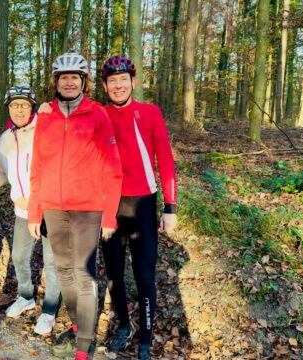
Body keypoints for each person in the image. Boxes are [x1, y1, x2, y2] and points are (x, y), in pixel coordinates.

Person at [28, 53, 123, 360]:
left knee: (82, 275)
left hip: (87, 209)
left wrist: (109, 216)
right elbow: (38, 166)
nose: (69, 82)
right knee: (65, 272)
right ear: (56, 82)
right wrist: (34, 210)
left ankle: (84, 344)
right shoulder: (45, 116)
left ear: (83, 81)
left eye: (75, 77)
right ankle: (79, 325)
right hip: (54, 208)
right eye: (64, 77)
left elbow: (113, 168)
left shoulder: (97, 113)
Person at [99, 55, 177, 360]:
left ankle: (145, 338)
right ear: (104, 86)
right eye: (112, 81)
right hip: (110, 206)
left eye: (123, 80)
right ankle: (123, 326)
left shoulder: (150, 113)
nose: (118, 86)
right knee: (114, 274)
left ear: (134, 82)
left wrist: (170, 207)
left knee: (144, 275)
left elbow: (166, 161)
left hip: (144, 203)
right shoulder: (99, 114)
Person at [0, 85, 62, 335]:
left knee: (52, 262)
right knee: (19, 257)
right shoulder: (5, 138)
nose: (19, 109)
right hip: (22, 212)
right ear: (8, 109)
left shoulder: (47, 127)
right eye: (14, 105)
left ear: (33, 107)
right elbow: (3, 173)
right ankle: (26, 296)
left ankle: (49, 311)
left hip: (49, 209)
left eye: (24, 104)